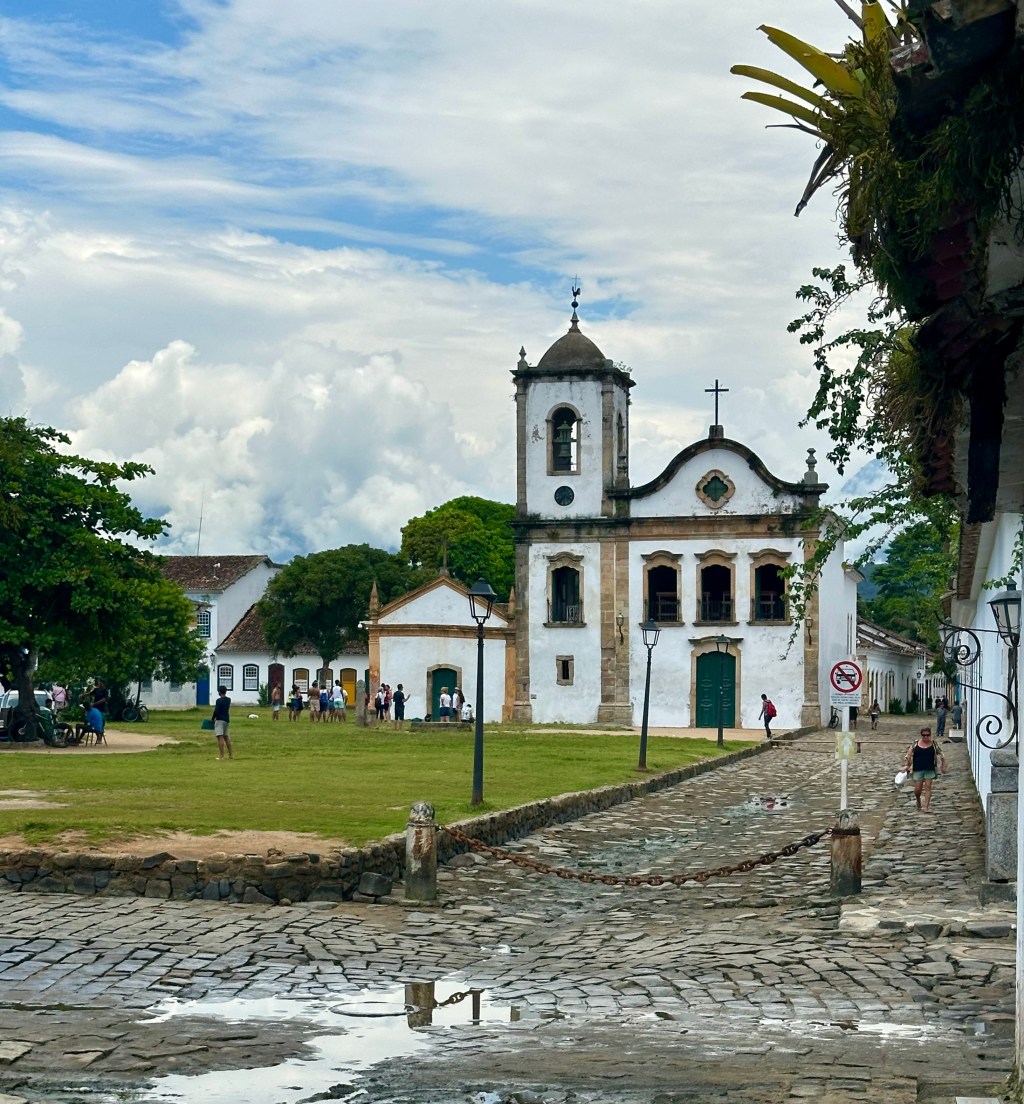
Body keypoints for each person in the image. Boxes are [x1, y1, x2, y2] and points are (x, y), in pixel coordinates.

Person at [903, 727, 946, 813]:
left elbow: (941, 754)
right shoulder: (915, 744)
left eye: (927, 735)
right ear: (921, 735)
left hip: (929, 768)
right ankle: (918, 800)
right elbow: (908, 755)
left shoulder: (934, 744)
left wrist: (943, 765)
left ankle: (926, 806)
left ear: (930, 735)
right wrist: (906, 766)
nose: (926, 737)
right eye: (924, 735)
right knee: (917, 790)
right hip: (917, 768)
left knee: (928, 787)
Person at [212, 685, 233, 760]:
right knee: (226, 737)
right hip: (226, 720)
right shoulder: (228, 700)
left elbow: (216, 711)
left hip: (220, 720)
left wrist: (213, 718)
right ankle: (230, 755)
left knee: (220, 737)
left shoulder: (219, 700)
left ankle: (221, 756)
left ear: (219, 692)